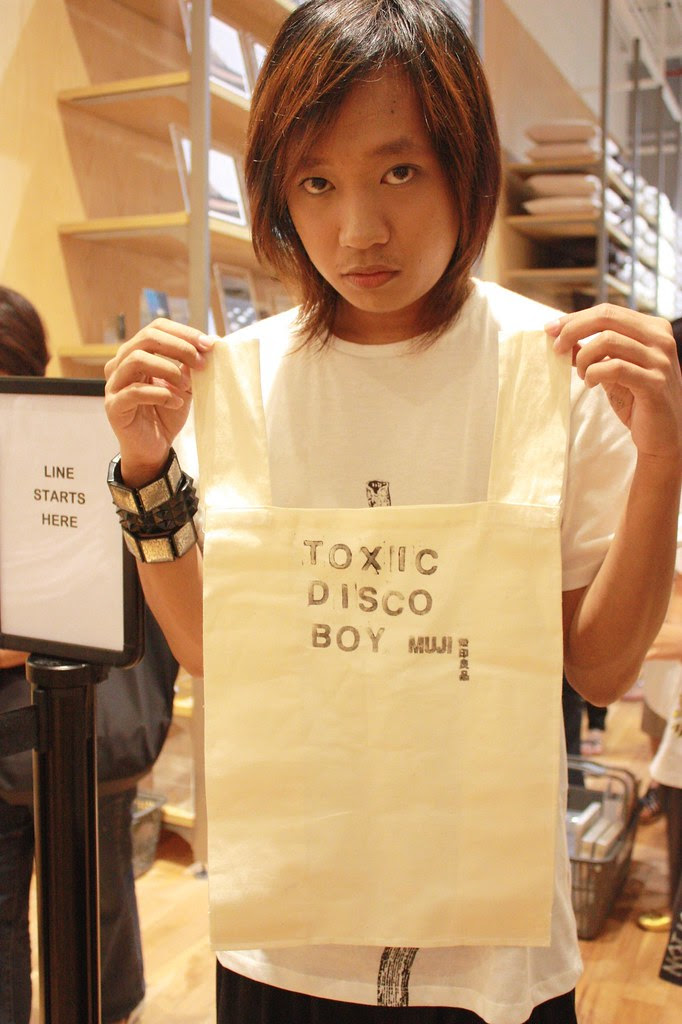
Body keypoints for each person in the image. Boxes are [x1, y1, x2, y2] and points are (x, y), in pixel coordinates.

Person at [102, 2, 682, 1022]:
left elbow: (599, 670)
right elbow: (213, 656)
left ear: (467, 169)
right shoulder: (246, 383)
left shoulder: (548, 371)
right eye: (316, 182)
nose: (357, 230)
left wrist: (663, 457)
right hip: (290, 925)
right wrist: (146, 468)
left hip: (486, 938)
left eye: (400, 171)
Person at [0, 285, 178, 1024]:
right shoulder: (89, 437)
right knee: (92, 903)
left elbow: (82, 600)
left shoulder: (84, 444)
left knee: (85, 906)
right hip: (68, 723)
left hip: (75, 718)